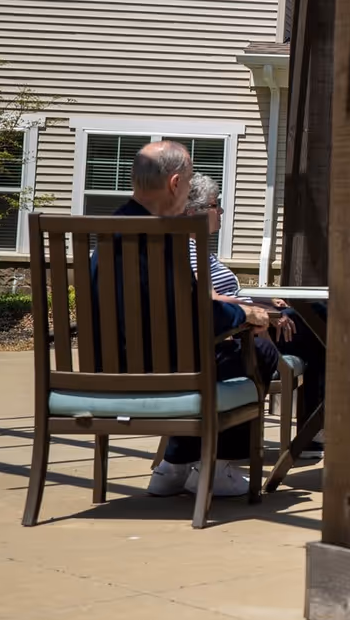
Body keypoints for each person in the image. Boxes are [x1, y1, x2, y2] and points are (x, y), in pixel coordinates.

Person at [101, 142, 280, 499]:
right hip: (162, 372)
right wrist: (245, 313)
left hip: (108, 373)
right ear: (175, 183)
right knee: (256, 351)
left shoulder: (108, 233)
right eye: (188, 183)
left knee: (214, 354)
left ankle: (175, 464)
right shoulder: (165, 239)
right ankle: (217, 467)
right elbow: (195, 308)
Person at [185, 173, 326, 453]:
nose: (221, 211)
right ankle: (315, 430)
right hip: (239, 330)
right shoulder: (187, 248)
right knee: (321, 322)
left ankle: (315, 429)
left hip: (244, 321)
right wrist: (257, 310)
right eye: (215, 205)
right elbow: (206, 297)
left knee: (319, 320)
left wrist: (262, 299)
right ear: (193, 212)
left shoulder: (197, 247)